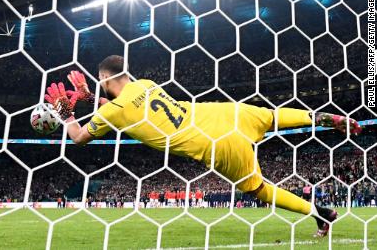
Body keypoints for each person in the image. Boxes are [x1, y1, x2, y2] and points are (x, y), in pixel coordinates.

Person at [44, 55, 362, 237]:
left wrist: (67, 114)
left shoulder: (114, 110)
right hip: (219, 114)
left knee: (259, 190)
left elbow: (79, 136)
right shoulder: (146, 84)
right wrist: (91, 96)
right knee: (270, 116)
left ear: (103, 77)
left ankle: (319, 213)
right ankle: (320, 117)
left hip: (214, 144)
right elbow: (126, 106)